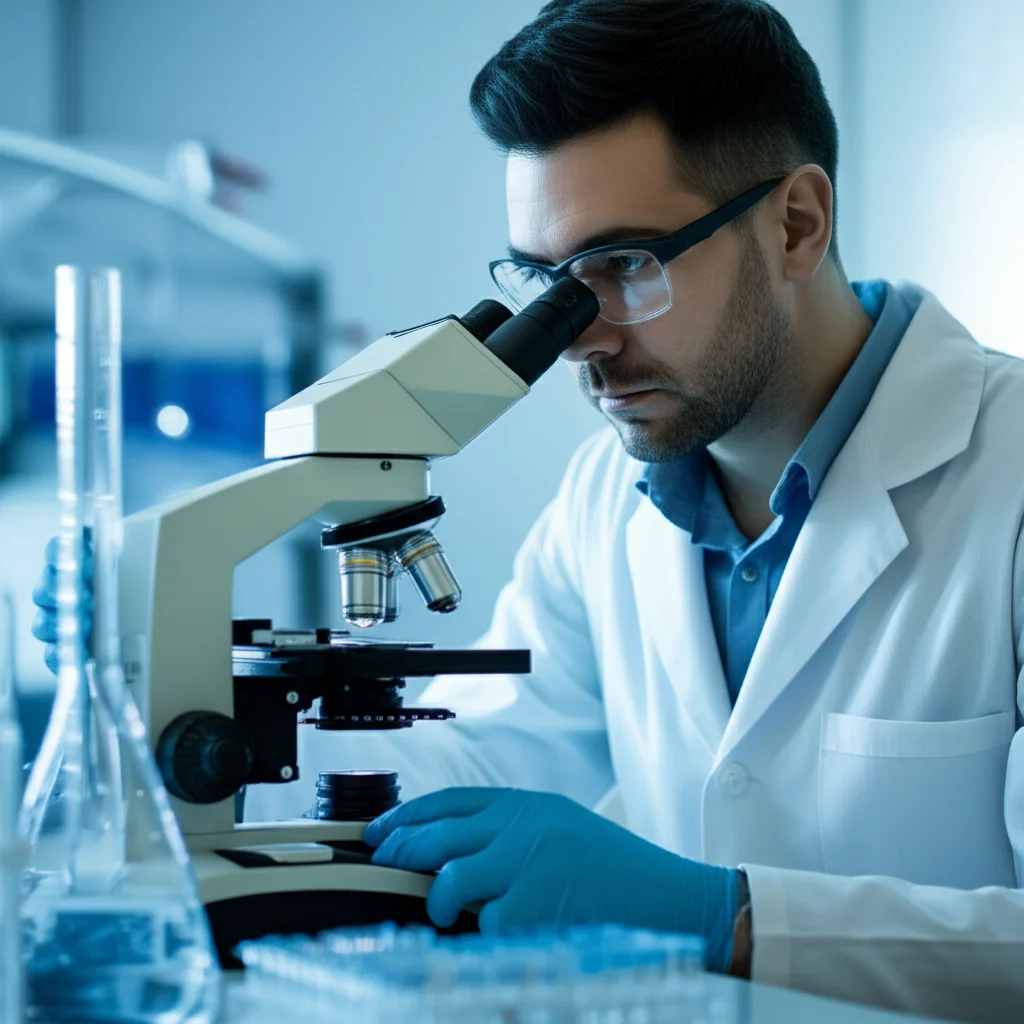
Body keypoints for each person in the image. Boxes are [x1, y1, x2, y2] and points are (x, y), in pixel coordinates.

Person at [31, 1, 1024, 1020]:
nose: (579, 340)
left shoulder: (1008, 479)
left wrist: (722, 914)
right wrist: (173, 681)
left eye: (624, 266)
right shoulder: (607, 499)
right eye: (546, 281)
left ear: (795, 224)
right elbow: (480, 760)